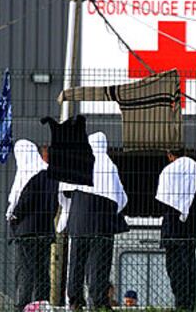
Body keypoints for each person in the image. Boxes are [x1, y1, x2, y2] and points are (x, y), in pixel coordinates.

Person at [59, 132, 129, 311]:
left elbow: (65, 190)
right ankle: (98, 301)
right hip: (102, 222)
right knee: (101, 262)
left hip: (79, 220)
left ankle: (75, 301)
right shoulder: (109, 165)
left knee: (76, 262)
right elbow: (121, 197)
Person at [6, 139, 59, 311]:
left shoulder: (28, 173)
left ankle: (23, 304)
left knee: (25, 269)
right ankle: (42, 303)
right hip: (45, 229)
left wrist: (14, 216)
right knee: (42, 269)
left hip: (27, 230)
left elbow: (24, 200)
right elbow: (55, 203)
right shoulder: (50, 174)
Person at [155, 148, 196, 311]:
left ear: (170, 155)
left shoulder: (168, 171)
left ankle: (181, 302)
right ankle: (192, 301)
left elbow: (163, 197)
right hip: (191, 225)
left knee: (174, 267)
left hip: (171, 224)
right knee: (190, 264)